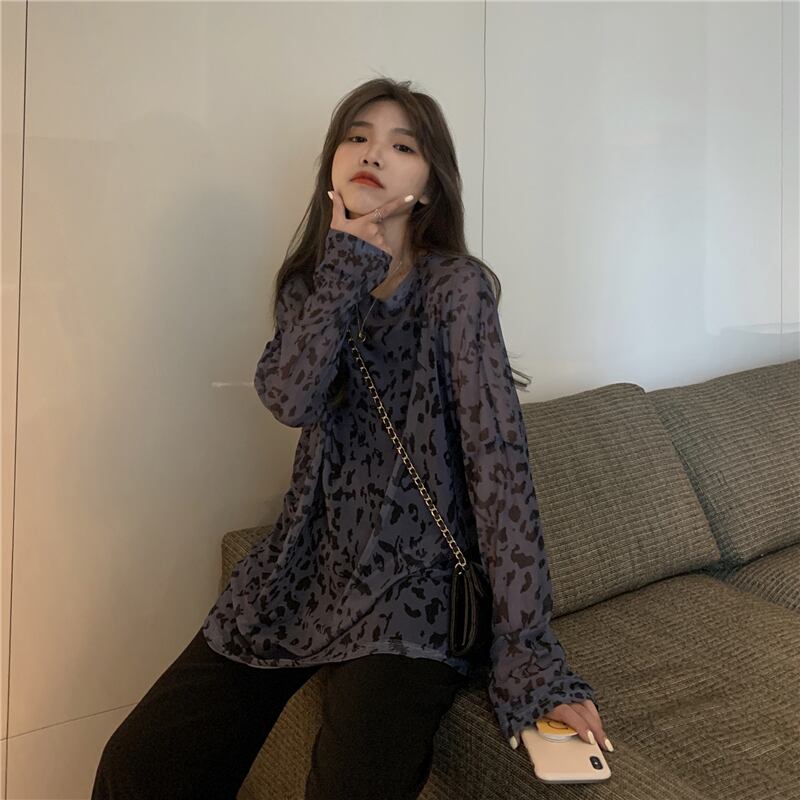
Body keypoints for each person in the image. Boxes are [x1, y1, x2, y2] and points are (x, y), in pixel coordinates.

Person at [92, 77, 611, 800]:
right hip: (305, 567)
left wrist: (530, 654)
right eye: (357, 137)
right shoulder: (313, 288)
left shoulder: (456, 290)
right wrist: (346, 271)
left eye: (403, 145)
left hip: (413, 587)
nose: (373, 153)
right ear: (332, 164)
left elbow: (500, 471)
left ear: (429, 186)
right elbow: (290, 398)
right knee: (139, 762)